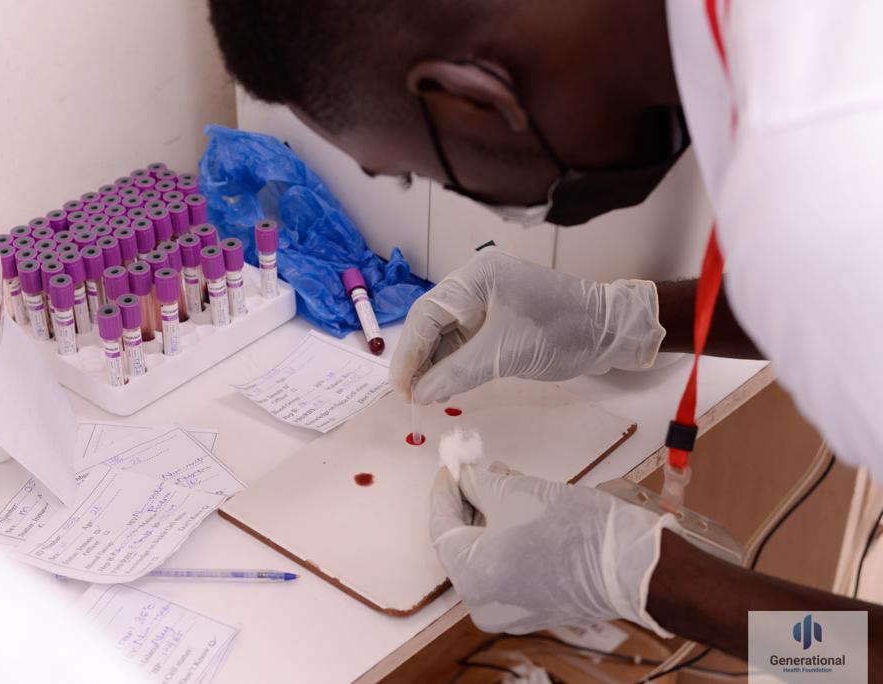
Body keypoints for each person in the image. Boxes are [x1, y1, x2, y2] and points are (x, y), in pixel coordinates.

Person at [207, 0, 883, 667]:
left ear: (472, 99)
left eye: (409, 171)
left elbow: (829, 278)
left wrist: (654, 582)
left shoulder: (827, 185)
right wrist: (627, 318)